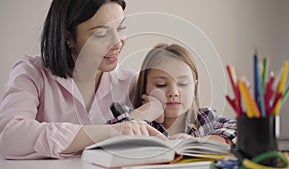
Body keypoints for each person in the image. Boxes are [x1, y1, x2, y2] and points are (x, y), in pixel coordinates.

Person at [0, 0, 166, 160]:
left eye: (121, 28)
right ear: (68, 38)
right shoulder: (32, 73)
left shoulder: (131, 82)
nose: (117, 43)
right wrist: (109, 132)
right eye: (101, 34)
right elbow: (9, 137)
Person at [131, 43, 237, 144]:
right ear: (144, 87)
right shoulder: (138, 120)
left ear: (194, 88)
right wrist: (148, 110)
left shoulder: (206, 119)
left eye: (182, 84)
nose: (173, 93)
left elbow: (242, 132)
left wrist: (198, 142)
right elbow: (118, 131)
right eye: (161, 84)